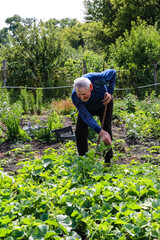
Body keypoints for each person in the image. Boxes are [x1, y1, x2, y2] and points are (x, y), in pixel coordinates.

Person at [71, 69, 116, 164]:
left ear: (91, 87)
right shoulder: (75, 97)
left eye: (84, 94)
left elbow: (113, 73)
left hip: (104, 102)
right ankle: (84, 160)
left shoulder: (99, 78)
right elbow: (86, 116)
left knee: (106, 128)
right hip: (87, 108)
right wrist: (99, 131)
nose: (82, 98)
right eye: (80, 95)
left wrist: (110, 92)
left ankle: (108, 160)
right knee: (79, 131)